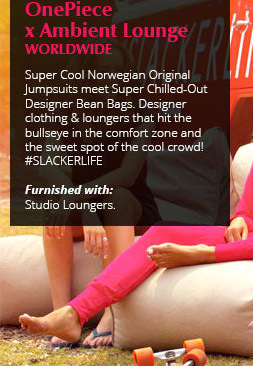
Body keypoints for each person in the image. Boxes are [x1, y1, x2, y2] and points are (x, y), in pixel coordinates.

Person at [19, 54, 253, 345]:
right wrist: (241, 222)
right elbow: (247, 212)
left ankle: (207, 254)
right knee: (160, 233)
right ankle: (75, 312)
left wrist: (218, 248)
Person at [37, 47, 161, 349]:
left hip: (129, 206)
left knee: (114, 199)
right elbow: (46, 163)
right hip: (89, 206)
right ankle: (61, 314)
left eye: (118, 70)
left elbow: (128, 174)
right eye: (102, 70)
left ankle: (111, 314)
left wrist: (83, 201)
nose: (111, 77)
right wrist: (81, 204)